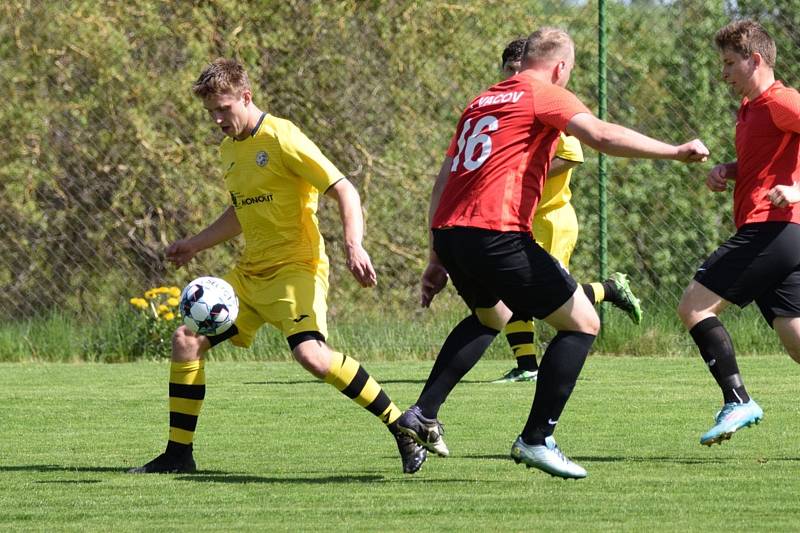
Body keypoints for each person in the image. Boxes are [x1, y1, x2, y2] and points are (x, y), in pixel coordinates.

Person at [397, 27, 708, 479]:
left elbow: (444, 176)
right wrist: (675, 151)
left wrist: (435, 255)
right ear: (560, 67)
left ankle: (423, 414)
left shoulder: (480, 102)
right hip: (496, 232)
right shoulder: (543, 93)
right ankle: (536, 439)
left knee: (493, 316)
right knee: (583, 323)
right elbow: (599, 135)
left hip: (452, 231)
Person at [128, 58, 426, 475]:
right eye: (210, 111)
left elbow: (343, 188)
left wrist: (353, 244)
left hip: (296, 270)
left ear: (246, 97)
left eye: (224, 108)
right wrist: (194, 245)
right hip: (250, 276)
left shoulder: (282, 137)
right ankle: (179, 454)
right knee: (186, 340)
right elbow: (240, 211)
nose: (217, 119)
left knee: (313, 357)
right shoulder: (230, 149)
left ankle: (402, 425)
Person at [677, 20, 800, 446]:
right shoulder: (749, 111)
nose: (723, 73)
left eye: (730, 63)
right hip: (780, 233)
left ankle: (737, 399)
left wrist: (798, 188)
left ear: (756, 59)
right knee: (794, 335)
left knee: (694, 307)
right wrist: (728, 171)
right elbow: (765, 165)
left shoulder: (781, 101)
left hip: (774, 229)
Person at [494, 38, 643, 384]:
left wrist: (525, 169)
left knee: (543, 294)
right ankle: (527, 365)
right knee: (511, 289)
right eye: (510, 70)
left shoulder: (548, 104)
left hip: (551, 219)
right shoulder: (506, 105)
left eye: (521, 69)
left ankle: (609, 289)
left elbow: (573, 154)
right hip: (518, 220)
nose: (517, 75)